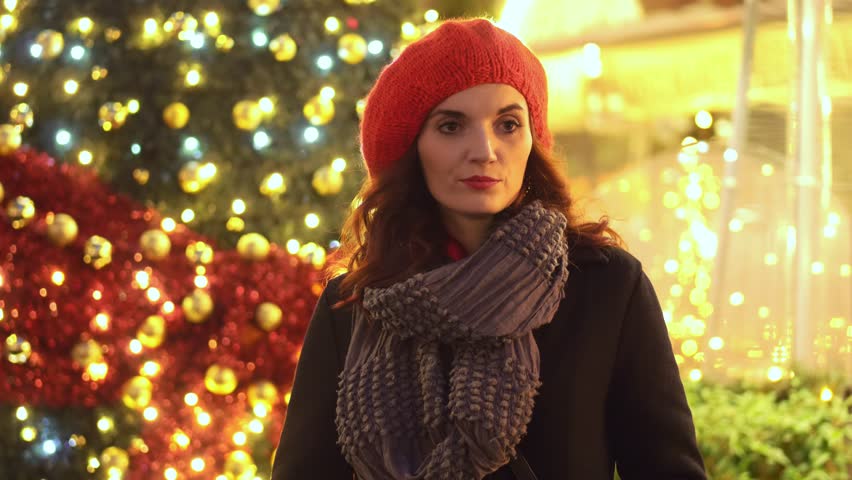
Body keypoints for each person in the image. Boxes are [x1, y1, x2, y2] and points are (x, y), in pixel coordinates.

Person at [271, 18, 706, 480]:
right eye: (452, 125)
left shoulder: (606, 286)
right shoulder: (355, 305)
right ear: (412, 148)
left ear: (531, 140)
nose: (484, 149)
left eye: (508, 124)